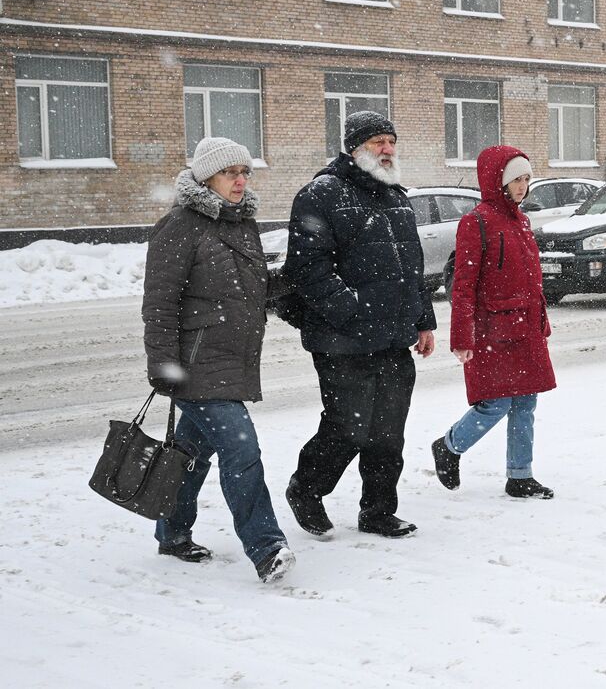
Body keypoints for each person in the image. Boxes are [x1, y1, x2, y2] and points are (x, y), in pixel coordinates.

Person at [142, 136, 295, 583]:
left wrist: (298, 276)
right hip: (196, 365)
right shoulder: (180, 225)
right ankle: (267, 548)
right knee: (241, 448)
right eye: (231, 173)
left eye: (245, 172)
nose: (241, 181)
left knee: (190, 453)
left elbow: (253, 292)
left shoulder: (241, 224)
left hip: (233, 362)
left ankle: (171, 533)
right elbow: (160, 303)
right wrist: (162, 364)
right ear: (206, 177)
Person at [283, 111, 437, 539]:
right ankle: (307, 489)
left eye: (390, 141)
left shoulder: (397, 197)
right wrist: (350, 309)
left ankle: (378, 510)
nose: (387, 150)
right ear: (353, 148)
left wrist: (424, 321)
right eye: (376, 143)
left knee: (389, 430)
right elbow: (308, 269)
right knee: (347, 427)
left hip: (393, 337)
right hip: (343, 339)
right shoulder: (321, 194)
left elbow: (412, 268)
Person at [431, 146, 557, 499]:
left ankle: (520, 475)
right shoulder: (476, 222)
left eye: (527, 178)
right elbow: (465, 285)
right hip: (494, 331)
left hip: (526, 327)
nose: (523, 186)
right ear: (498, 181)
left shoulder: (522, 220)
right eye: (516, 179)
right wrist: (463, 337)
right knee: (496, 402)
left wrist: (539, 321)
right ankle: (449, 446)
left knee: (526, 402)